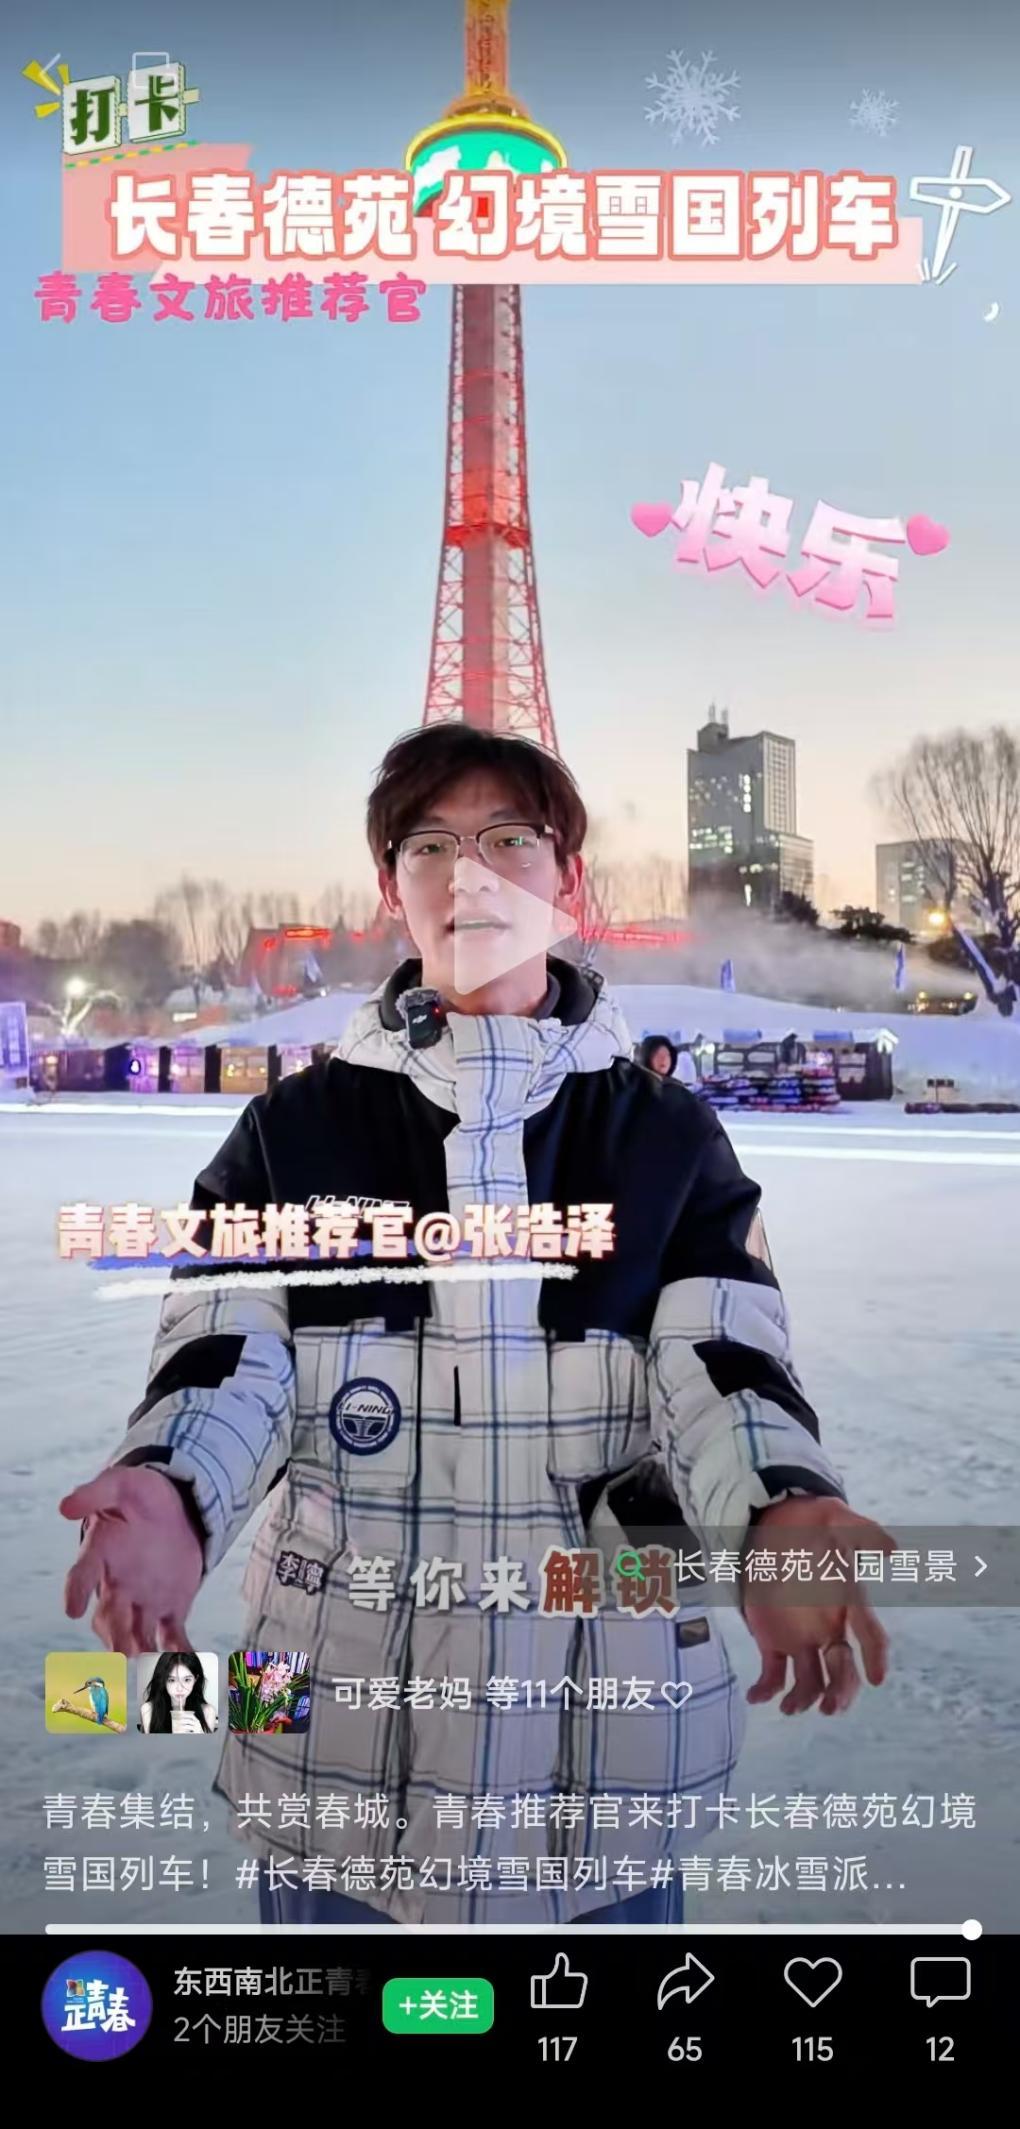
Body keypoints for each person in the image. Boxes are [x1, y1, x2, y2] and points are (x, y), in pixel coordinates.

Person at [60, 722, 893, 1927]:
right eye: (430, 845)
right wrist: (170, 1487)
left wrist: (778, 1504)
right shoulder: (295, 1132)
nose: (470, 872)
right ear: (391, 889)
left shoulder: (665, 1138)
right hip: (333, 1769)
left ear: (569, 879)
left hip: (605, 1781)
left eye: (510, 838)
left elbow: (724, 1364)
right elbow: (226, 1352)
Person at [139, 1650, 216, 1735]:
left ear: (195, 1679)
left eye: (187, 1680)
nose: (179, 1688)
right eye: (172, 1680)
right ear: (163, 1680)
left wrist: (201, 1735)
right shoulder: (148, 1710)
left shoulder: (208, 1712)